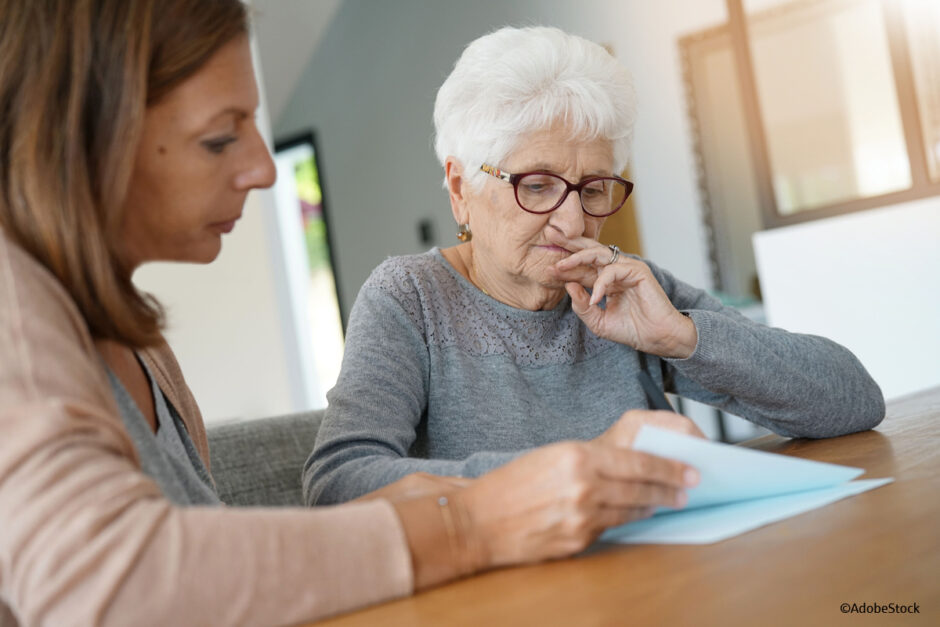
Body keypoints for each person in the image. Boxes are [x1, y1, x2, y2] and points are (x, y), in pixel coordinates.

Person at [0, 3, 707, 625]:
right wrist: (470, 523)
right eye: (220, 136)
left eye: (590, 188)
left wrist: (688, 339)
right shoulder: (13, 302)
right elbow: (108, 581)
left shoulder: (136, 337)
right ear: (84, 136)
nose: (265, 168)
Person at [303, 25, 886, 506]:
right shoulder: (411, 298)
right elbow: (338, 485)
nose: (573, 224)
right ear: (460, 188)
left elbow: (855, 400)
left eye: (594, 188)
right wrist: (586, 468)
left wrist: (684, 338)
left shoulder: (621, 284)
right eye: (536, 186)